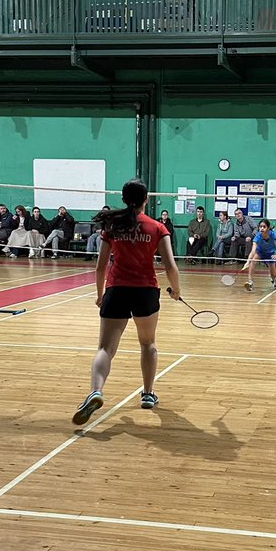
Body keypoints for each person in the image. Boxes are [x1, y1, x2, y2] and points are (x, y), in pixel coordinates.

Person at [72, 178, 181, 425]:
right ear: (147, 199)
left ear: (123, 199)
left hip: (117, 290)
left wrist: (100, 294)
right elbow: (170, 266)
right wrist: (176, 290)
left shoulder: (113, 227)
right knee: (148, 344)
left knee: (105, 349)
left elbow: (101, 267)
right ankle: (148, 394)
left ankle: (96, 391)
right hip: (145, 292)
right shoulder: (157, 228)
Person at [242, 219, 276, 292]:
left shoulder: (273, 234)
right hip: (260, 253)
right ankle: (250, 282)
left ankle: (274, 280)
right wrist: (248, 262)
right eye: (260, 227)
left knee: (273, 273)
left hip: (270, 254)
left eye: (264, 227)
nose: (262, 228)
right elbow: (253, 251)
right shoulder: (258, 236)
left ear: (268, 228)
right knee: (253, 261)